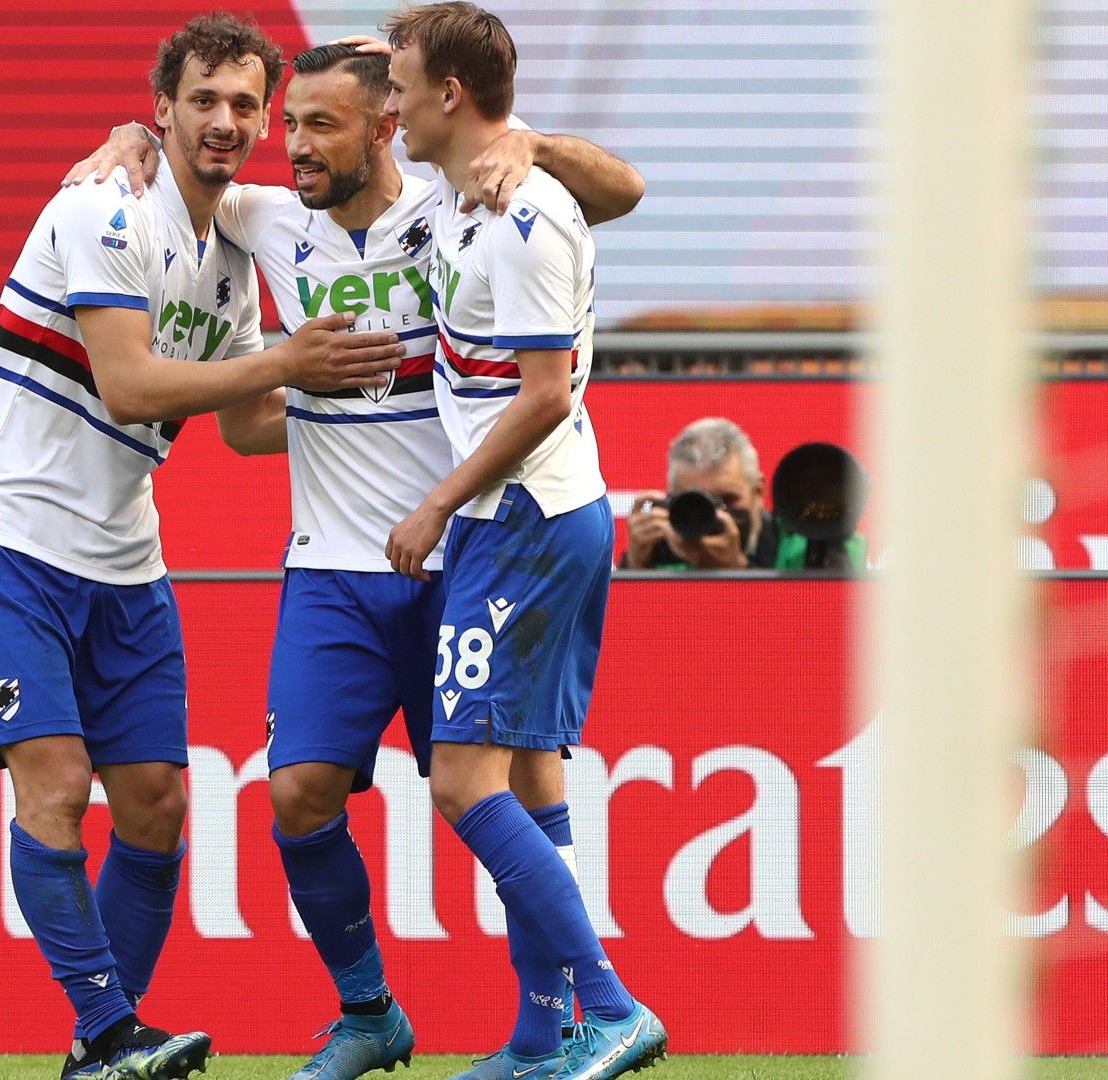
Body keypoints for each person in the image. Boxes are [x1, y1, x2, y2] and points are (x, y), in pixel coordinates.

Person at [63, 39, 645, 1080]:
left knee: (513, 782)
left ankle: (556, 1025)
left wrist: (533, 141)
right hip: (333, 565)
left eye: (316, 124)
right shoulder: (267, 220)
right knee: (298, 796)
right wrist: (124, 137)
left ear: (386, 126)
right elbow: (245, 423)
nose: (289, 147)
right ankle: (370, 1010)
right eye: (286, 125)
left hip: (457, 548)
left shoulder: (458, 202)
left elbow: (623, 191)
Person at [0, 15, 405, 1080]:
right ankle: (106, 1035)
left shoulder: (229, 255)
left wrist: (400, 400)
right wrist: (290, 361)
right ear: (162, 109)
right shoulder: (102, 207)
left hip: (128, 563)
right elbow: (133, 386)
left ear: (268, 119)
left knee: (156, 805)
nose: (224, 122)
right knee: (54, 786)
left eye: (245, 105)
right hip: (13, 540)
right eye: (203, 101)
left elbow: (243, 427)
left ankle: (114, 1046)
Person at [381, 5, 667, 1079]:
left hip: (524, 519)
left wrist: (437, 506)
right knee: (535, 784)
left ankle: (611, 1007)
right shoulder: (469, 192)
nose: (391, 105)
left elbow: (547, 396)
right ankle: (541, 1038)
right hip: (535, 518)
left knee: (462, 781)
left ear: (450, 95)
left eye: (403, 85)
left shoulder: (524, 213)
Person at [623, 417, 771, 571]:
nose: (713, 514)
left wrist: (736, 569)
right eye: (695, 503)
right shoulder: (659, 548)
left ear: (758, 492)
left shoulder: (793, 547)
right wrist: (634, 567)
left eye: (726, 500)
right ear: (671, 499)